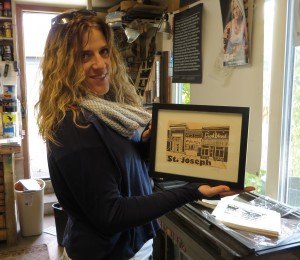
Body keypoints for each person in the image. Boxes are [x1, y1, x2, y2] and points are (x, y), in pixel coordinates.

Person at [36, 10, 255, 260]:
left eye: (104, 51)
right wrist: (192, 191)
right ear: (63, 65)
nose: (100, 64)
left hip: (132, 247)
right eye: (84, 56)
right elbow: (111, 215)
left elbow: (120, 167)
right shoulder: (75, 126)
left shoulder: (107, 110)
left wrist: (147, 144)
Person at [223, 0, 249, 66]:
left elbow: (247, 46)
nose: (236, 11)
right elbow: (224, 48)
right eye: (234, 8)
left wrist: (238, 49)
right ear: (232, 11)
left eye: (238, 7)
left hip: (242, 61)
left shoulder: (245, 24)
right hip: (231, 61)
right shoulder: (228, 26)